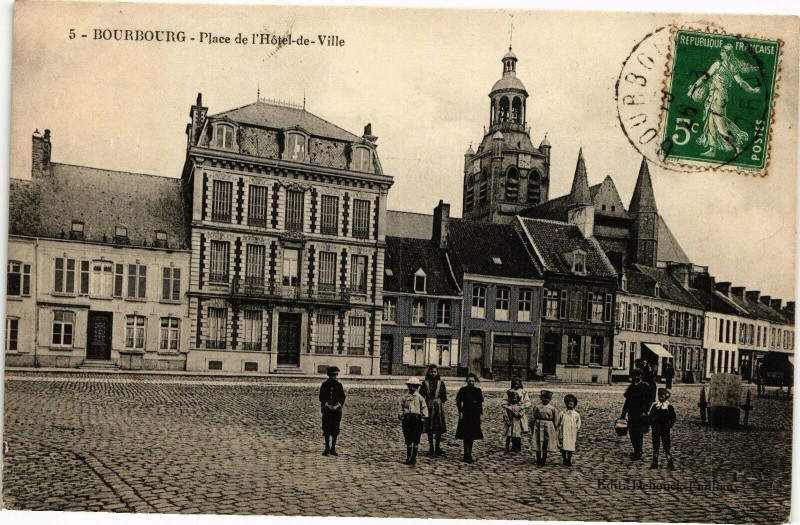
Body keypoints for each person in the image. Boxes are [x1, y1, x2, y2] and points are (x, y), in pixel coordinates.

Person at [687, 43, 761, 158]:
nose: (720, 53)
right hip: (718, 96)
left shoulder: (718, 64)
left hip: (717, 97)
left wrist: (693, 88)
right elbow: (741, 83)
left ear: (726, 54)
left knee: (720, 124)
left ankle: (737, 145)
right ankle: (712, 149)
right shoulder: (732, 67)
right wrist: (751, 89)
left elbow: (705, 77)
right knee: (710, 121)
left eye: (722, 51)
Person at [620, 368, 653, 461]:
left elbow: (649, 401)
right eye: (634, 375)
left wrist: (645, 411)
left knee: (639, 432)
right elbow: (627, 401)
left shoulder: (645, 386)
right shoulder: (631, 387)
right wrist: (623, 414)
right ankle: (635, 449)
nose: (636, 377)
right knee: (632, 432)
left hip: (640, 413)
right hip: (632, 413)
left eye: (638, 375)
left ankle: (638, 450)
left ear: (641, 376)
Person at [398, 377, 428, 465]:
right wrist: (401, 416)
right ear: (408, 386)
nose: (412, 388)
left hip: (416, 420)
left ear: (418, 387)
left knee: (416, 438)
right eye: (410, 386)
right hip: (407, 420)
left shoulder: (420, 398)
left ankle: (413, 457)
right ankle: (408, 457)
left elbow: (424, 409)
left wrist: (423, 419)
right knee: (408, 438)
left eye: (414, 386)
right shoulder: (404, 397)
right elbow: (401, 408)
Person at [419, 364, 447, 456]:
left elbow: (444, 397)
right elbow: (421, 396)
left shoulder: (441, 383)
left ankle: (437, 447)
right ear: (428, 372)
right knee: (429, 427)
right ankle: (431, 447)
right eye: (431, 372)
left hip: (438, 407)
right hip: (428, 406)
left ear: (437, 373)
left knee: (438, 427)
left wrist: (438, 403)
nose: (433, 373)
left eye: (435, 372)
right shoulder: (425, 383)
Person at [455, 372, 484, 463]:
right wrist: (460, 413)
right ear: (466, 381)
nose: (471, 382)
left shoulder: (478, 391)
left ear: (475, 382)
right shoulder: (463, 390)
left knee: (471, 435)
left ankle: (469, 453)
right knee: (465, 435)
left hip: (474, 415)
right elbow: (459, 402)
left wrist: (480, 415)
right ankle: (465, 453)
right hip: (466, 414)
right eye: (469, 381)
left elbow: (480, 405)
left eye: (473, 381)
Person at [319, 366, 346, 456]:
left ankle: (333, 448)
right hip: (327, 410)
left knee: (335, 429)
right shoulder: (324, 385)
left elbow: (342, 397)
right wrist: (327, 405)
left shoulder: (339, 385)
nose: (334, 376)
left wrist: (338, 405)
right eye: (332, 375)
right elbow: (321, 397)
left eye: (335, 374)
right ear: (329, 375)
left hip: (336, 411)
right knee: (326, 429)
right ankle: (327, 448)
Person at [648, 388, 677, 470]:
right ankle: (655, 462)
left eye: (663, 396)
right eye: (659, 396)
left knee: (666, 446)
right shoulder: (655, 406)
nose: (661, 398)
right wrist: (651, 422)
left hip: (665, 429)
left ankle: (670, 463)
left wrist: (669, 425)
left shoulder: (669, 407)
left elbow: (673, 418)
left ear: (666, 397)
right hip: (656, 429)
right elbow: (651, 416)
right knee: (655, 445)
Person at [501, 377, 530, 454]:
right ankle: (511, 446)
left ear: (520, 384)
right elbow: (504, 402)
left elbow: (527, 402)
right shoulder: (509, 392)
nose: (516, 385)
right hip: (511, 413)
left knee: (517, 430)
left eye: (518, 383)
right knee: (511, 430)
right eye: (514, 383)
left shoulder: (523, 392)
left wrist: (521, 407)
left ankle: (517, 446)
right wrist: (509, 407)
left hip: (519, 413)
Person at [531, 390, 558, 466]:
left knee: (546, 441)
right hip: (538, 424)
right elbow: (533, 416)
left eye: (547, 398)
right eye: (544, 398)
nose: (545, 400)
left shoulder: (552, 408)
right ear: (540, 398)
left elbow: (555, 419)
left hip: (548, 425)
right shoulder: (537, 407)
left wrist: (555, 427)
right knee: (538, 440)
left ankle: (544, 458)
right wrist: (533, 425)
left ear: (550, 399)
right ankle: (538, 457)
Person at [557, 394, 581, 467]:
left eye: (571, 403)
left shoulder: (576, 414)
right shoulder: (562, 413)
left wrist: (576, 429)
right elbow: (557, 421)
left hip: (571, 432)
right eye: (568, 403)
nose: (569, 404)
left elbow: (578, 423)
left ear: (574, 404)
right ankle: (564, 459)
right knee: (564, 445)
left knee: (570, 446)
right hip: (563, 431)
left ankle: (569, 459)